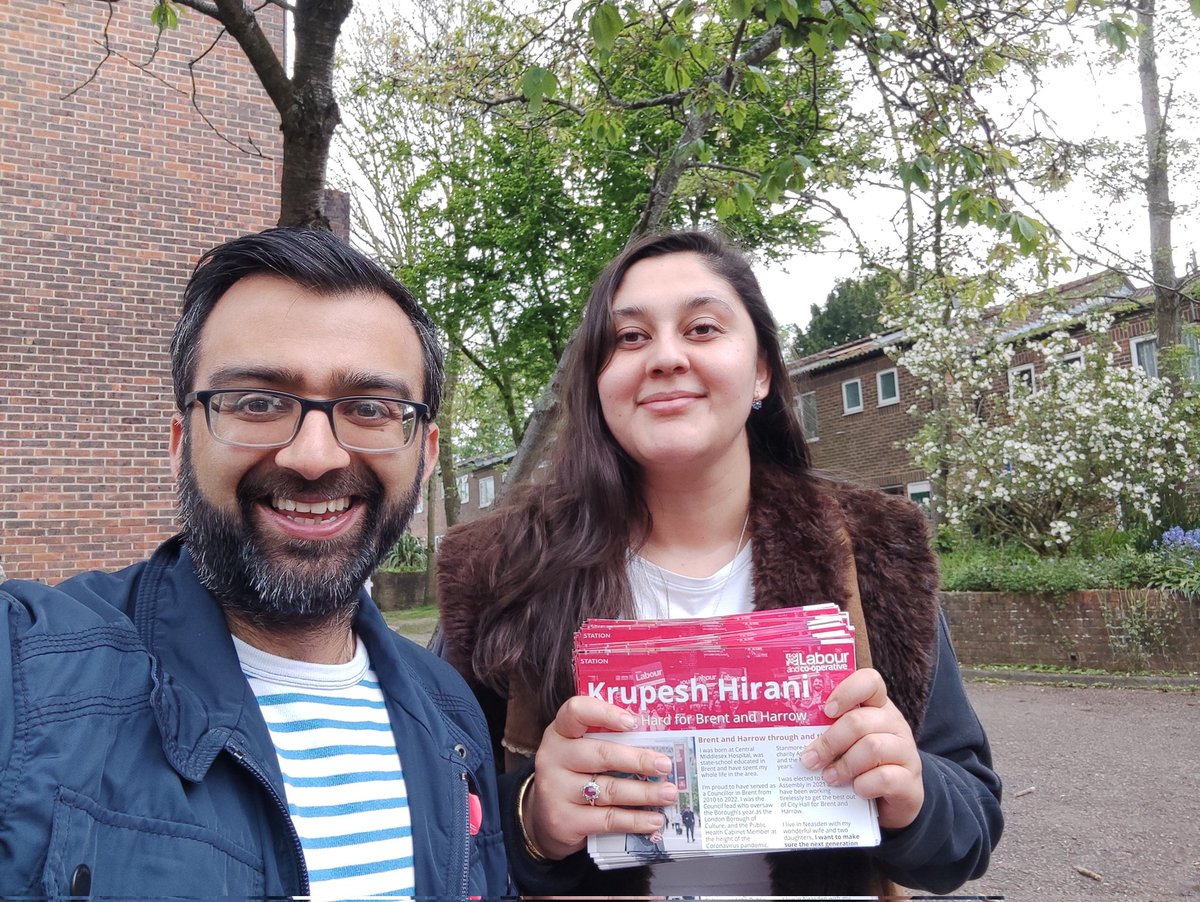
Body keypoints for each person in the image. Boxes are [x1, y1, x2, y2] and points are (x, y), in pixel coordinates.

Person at [437, 230, 1003, 896]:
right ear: (598, 382)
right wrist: (531, 818)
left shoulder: (878, 551)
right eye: (629, 338)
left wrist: (913, 794)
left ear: (761, 369)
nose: (666, 357)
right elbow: (435, 819)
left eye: (703, 328)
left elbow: (969, 830)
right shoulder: (498, 572)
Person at [0, 228, 507, 898]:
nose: (315, 455)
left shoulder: (453, 715)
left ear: (427, 452)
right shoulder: (31, 674)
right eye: (259, 402)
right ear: (181, 442)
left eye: (370, 409)